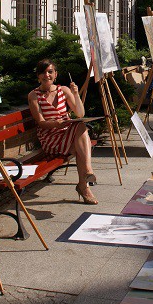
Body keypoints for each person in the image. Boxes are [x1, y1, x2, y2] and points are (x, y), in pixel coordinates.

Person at [28, 59, 98, 205]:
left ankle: (85, 180)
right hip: (50, 137)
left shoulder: (64, 90)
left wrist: (76, 94)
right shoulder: (34, 95)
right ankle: (84, 183)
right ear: (38, 76)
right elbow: (41, 122)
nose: (46, 75)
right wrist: (56, 124)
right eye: (43, 72)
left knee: (80, 125)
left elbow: (80, 113)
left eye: (50, 72)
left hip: (67, 133)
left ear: (56, 74)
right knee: (81, 142)